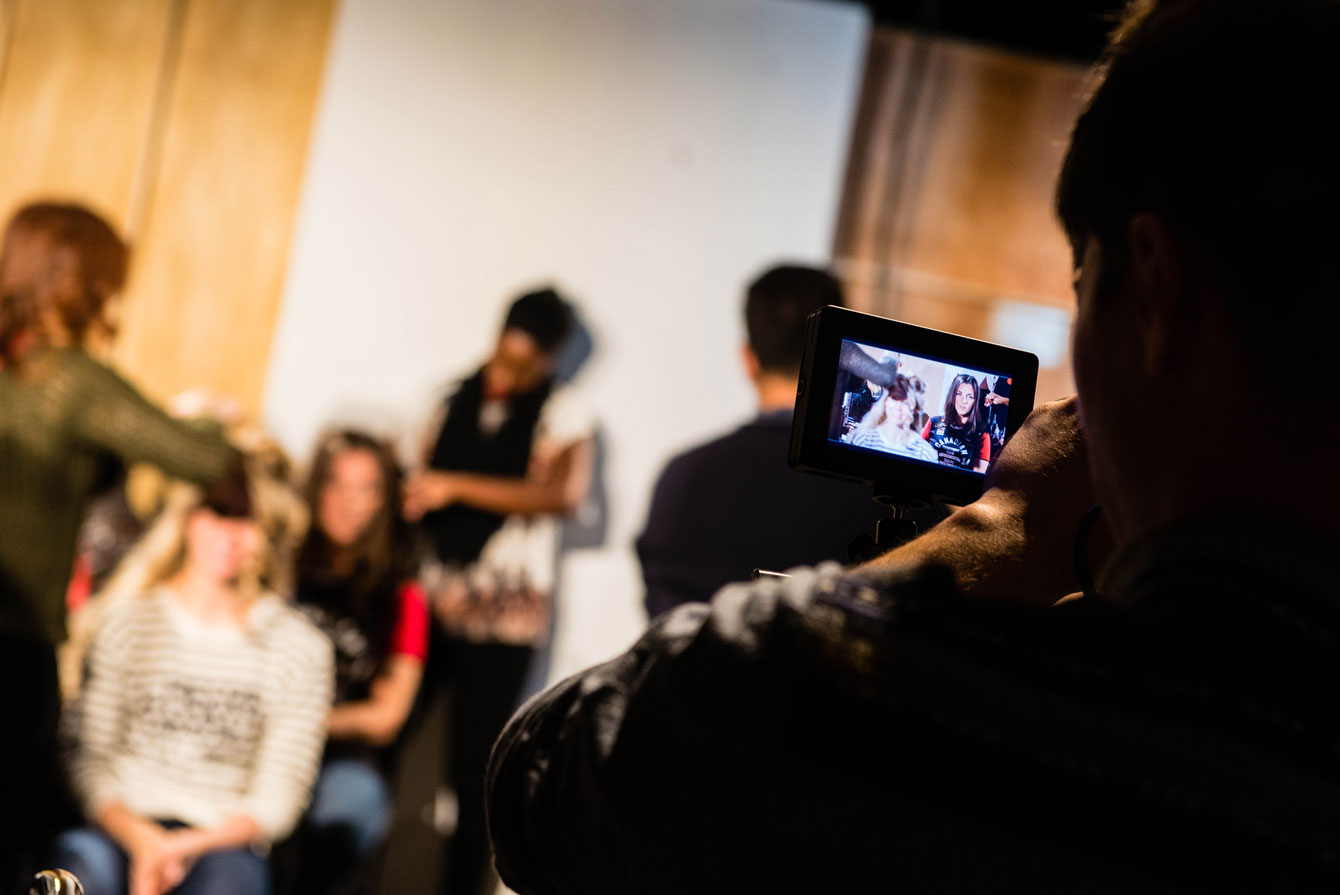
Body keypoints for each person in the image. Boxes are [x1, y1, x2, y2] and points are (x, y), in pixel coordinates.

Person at [484, 0, 1340, 890]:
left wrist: (992, 534)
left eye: (1084, 283)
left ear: (1155, 293)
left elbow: (545, 783)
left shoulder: (941, 708)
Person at [53, 460, 332, 895]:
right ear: (187, 516)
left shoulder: (298, 648)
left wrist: (183, 846)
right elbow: (89, 758)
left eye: (247, 518)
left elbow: (279, 795)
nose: (230, 532)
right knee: (76, 875)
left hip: (223, 842)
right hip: (120, 827)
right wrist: (142, 840)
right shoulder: (127, 623)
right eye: (218, 511)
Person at [403, 287, 594, 895]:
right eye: (508, 354)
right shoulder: (442, 399)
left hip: (505, 615)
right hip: (430, 599)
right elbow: (412, 478)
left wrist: (455, 486)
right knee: (386, 746)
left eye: (529, 362)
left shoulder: (564, 413)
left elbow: (564, 497)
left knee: (472, 775)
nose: (513, 371)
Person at [0, 201, 240, 648]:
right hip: (16, 639)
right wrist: (210, 419)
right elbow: (205, 458)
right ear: (77, 282)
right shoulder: (65, 380)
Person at [637, 264, 887, 619]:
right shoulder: (886, 494)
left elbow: (664, 621)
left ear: (747, 359)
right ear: (844, 360)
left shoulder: (681, 477)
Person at [289, 430, 427, 895]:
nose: (351, 503)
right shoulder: (279, 568)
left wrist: (305, 722)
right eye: (338, 485)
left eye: (367, 488)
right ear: (315, 488)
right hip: (245, 736)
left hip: (336, 754)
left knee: (352, 805)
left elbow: (386, 716)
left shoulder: (401, 595)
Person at [845, 372, 941, 464]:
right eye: (895, 399)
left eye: (905, 403)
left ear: (914, 408)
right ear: (886, 401)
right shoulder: (863, 440)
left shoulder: (925, 454)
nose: (898, 407)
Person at [920, 372, 990, 472]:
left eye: (970, 396)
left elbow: (977, 475)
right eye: (959, 394)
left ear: (975, 401)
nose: (964, 400)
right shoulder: (934, 423)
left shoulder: (982, 434)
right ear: (952, 395)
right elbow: (918, 454)